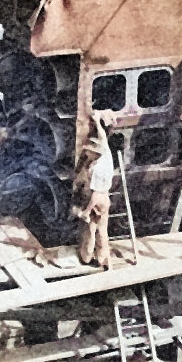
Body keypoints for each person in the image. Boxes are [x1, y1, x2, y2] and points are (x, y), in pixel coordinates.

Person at [75, 110, 116, 269]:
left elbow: (96, 196)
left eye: (89, 151)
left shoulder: (97, 170)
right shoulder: (106, 155)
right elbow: (103, 138)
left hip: (97, 201)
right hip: (106, 199)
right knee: (103, 230)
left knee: (91, 230)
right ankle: (103, 258)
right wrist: (97, 122)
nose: (86, 153)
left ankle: (86, 258)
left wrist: (86, 211)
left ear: (94, 153)